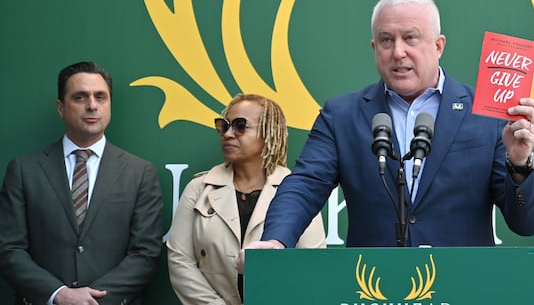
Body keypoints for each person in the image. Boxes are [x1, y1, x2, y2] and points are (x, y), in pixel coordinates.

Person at [236, 0, 534, 269]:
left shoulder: (485, 115)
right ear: (374, 47)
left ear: (438, 45)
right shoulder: (342, 115)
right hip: (372, 286)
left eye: (411, 38)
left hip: (463, 286)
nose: (398, 52)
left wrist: (519, 163)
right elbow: (305, 185)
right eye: (386, 40)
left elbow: (527, 223)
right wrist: (276, 240)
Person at [0, 61, 163, 305]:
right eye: (80, 97)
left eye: (101, 97)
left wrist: (91, 300)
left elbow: (145, 253)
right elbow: (9, 249)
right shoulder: (24, 171)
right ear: (60, 108)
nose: (92, 106)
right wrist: (59, 295)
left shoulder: (140, 173)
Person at [167, 94, 325, 304]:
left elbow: (311, 265)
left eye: (240, 126)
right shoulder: (198, 189)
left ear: (269, 132)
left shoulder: (296, 191)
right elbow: (180, 259)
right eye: (224, 126)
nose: (228, 134)